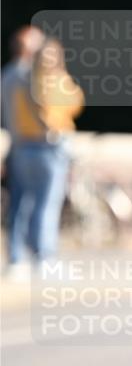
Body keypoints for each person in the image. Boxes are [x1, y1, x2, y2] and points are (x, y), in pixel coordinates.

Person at [5, 33, 85, 274]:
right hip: (48, 146)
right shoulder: (49, 79)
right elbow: (76, 102)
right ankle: (44, 257)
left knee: (21, 205)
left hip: (20, 146)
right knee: (46, 204)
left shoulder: (12, 76)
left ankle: (17, 258)